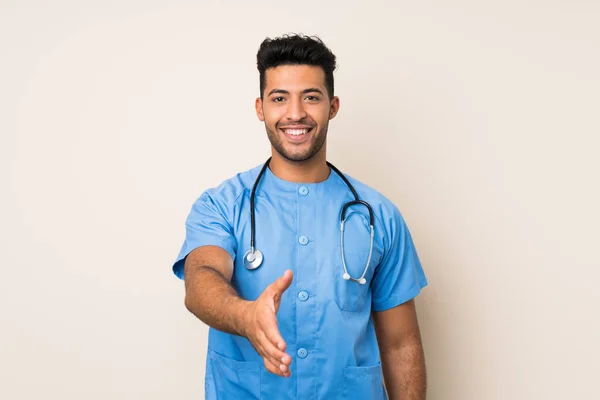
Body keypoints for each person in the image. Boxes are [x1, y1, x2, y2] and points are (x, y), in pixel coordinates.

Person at [172, 34, 428, 400]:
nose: (295, 113)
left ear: (333, 106)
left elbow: (401, 344)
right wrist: (245, 316)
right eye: (280, 99)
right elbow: (200, 281)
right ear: (261, 108)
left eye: (311, 96)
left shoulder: (379, 216)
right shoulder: (221, 205)